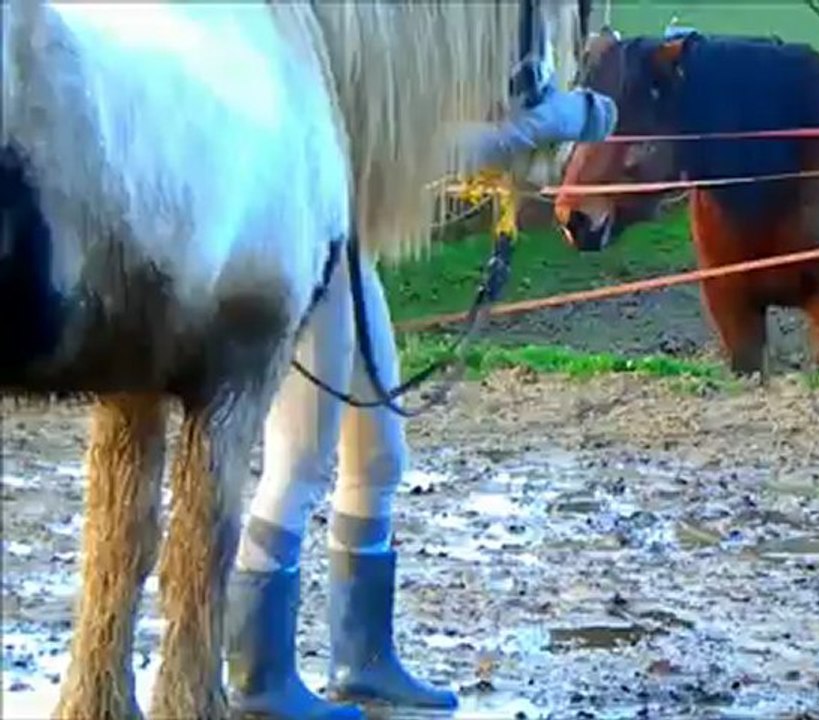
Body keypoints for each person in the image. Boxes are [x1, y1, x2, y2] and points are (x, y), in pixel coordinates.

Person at [224, 79, 616, 719]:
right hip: (310, 246)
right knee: (299, 462)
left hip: (351, 251)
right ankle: (260, 678)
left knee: (378, 456)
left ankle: (364, 659)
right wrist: (548, 122)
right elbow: (410, 151)